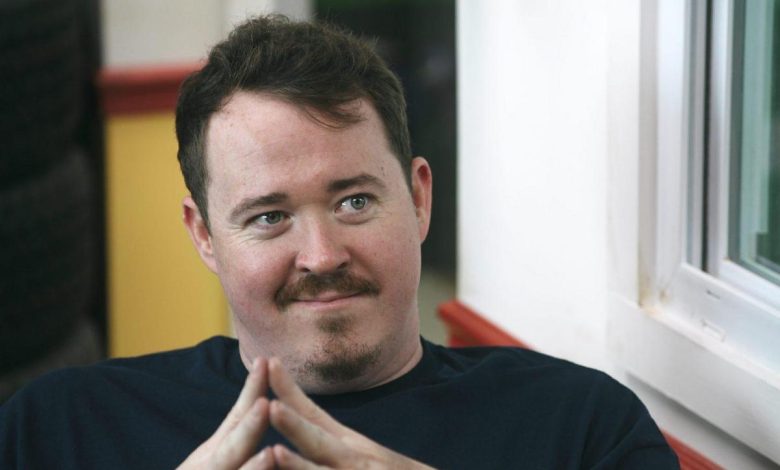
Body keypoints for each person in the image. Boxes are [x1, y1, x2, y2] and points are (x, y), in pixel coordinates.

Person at [0, 15, 679, 469]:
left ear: (417, 199)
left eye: (354, 201)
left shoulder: (581, 430)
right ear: (204, 236)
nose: (322, 256)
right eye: (269, 217)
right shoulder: (61, 431)